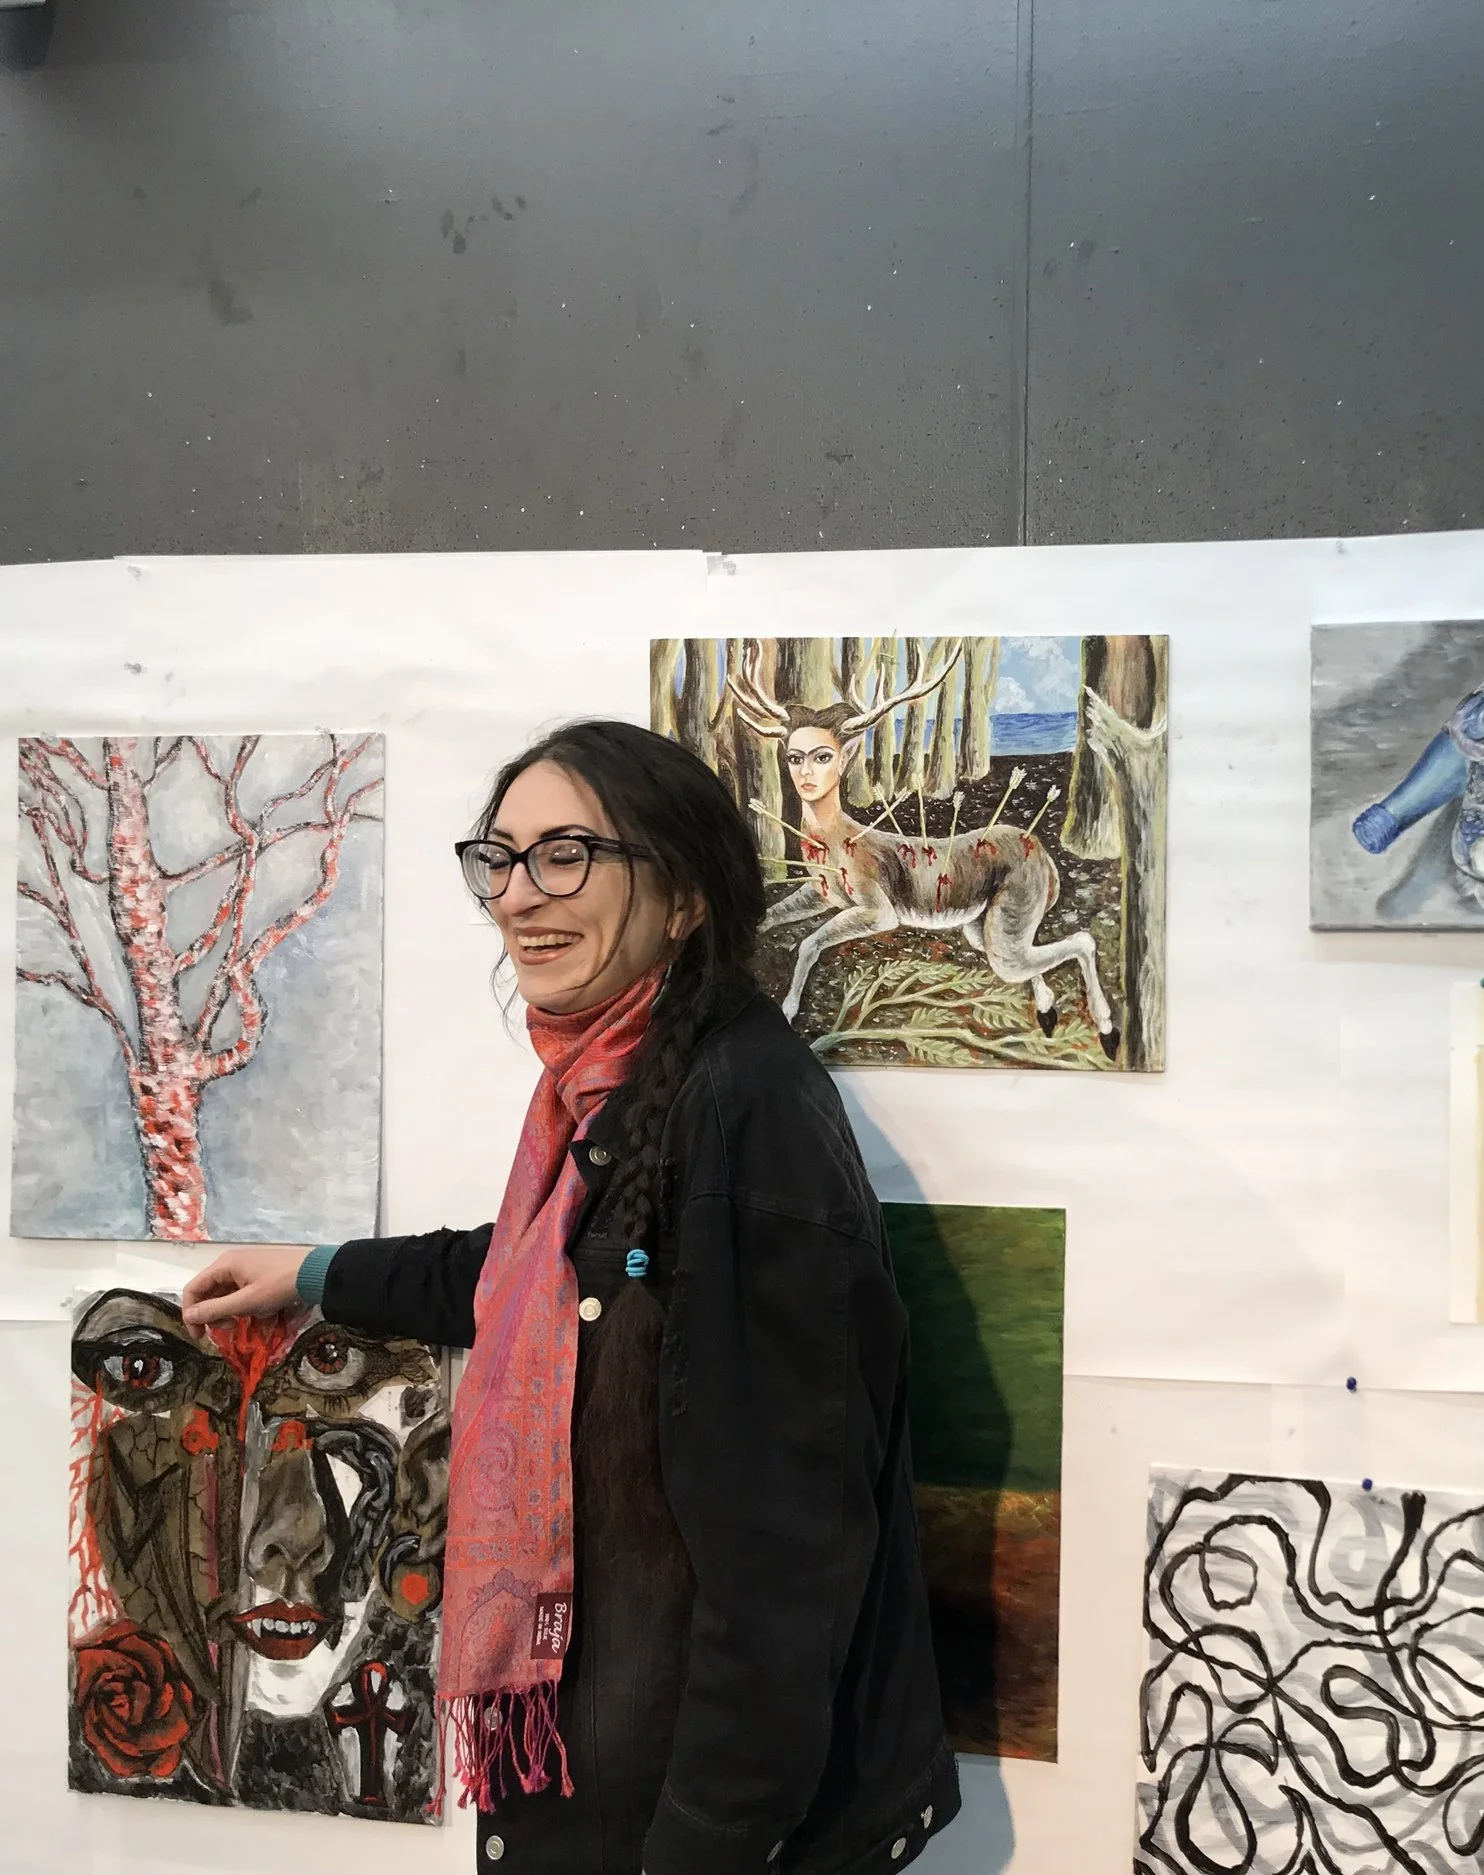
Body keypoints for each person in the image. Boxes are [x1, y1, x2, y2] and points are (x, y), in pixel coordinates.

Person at [183, 721, 955, 1875]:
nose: (515, 895)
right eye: (498, 858)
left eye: (566, 854)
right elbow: (535, 1272)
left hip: (687, 1815)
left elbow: (786, 1563)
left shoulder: (743, 1119)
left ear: (684, 895)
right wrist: (316, 1272)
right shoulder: (626, 1087)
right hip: (612, 1778)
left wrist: (704, 1847)